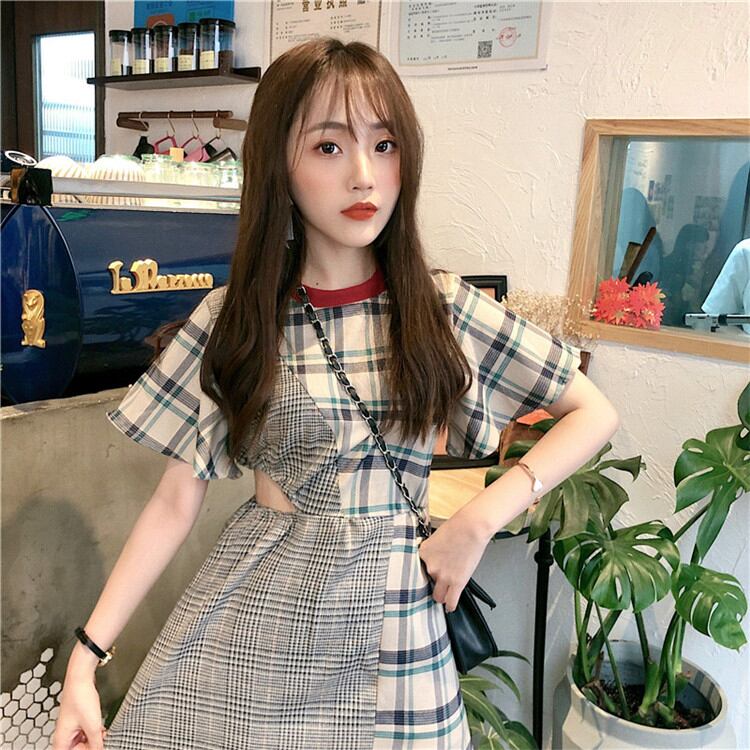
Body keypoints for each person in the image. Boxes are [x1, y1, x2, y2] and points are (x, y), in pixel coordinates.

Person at [52, 37, 620, 750]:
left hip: (396, 634)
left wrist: (480, 518)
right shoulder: (236, 319)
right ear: (277, 166)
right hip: (260, 627)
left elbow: (593, 412)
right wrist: (85, 660)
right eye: (328, 147)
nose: (364, 175)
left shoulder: (441, 308)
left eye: (385, 145)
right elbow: (175, 501)